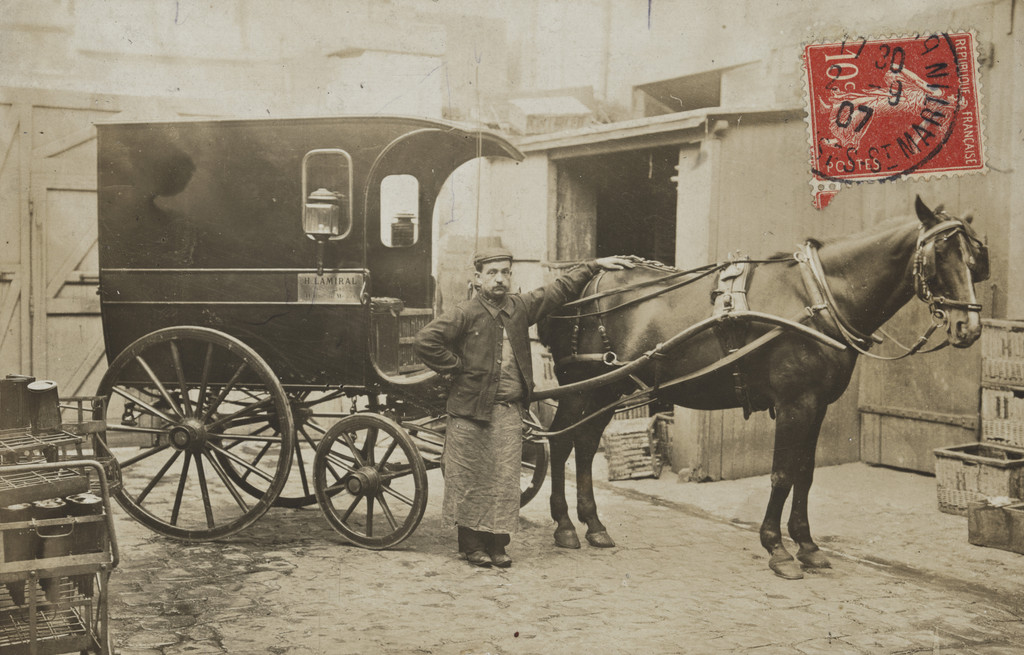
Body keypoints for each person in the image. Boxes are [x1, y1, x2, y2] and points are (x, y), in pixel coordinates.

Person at [414, 246, 634, 568]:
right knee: (471, 478)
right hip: (469, 411)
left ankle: (498, 544)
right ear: (478, 278)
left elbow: (558, 290)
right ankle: (472, 545)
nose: (500, 279)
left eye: (505, 272)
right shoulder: (465, 313)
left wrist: (594, 264)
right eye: (492, 273)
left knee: (504, 480)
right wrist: (457, 366)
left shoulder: (520, 308)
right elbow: (425, 341)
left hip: (507, 410)